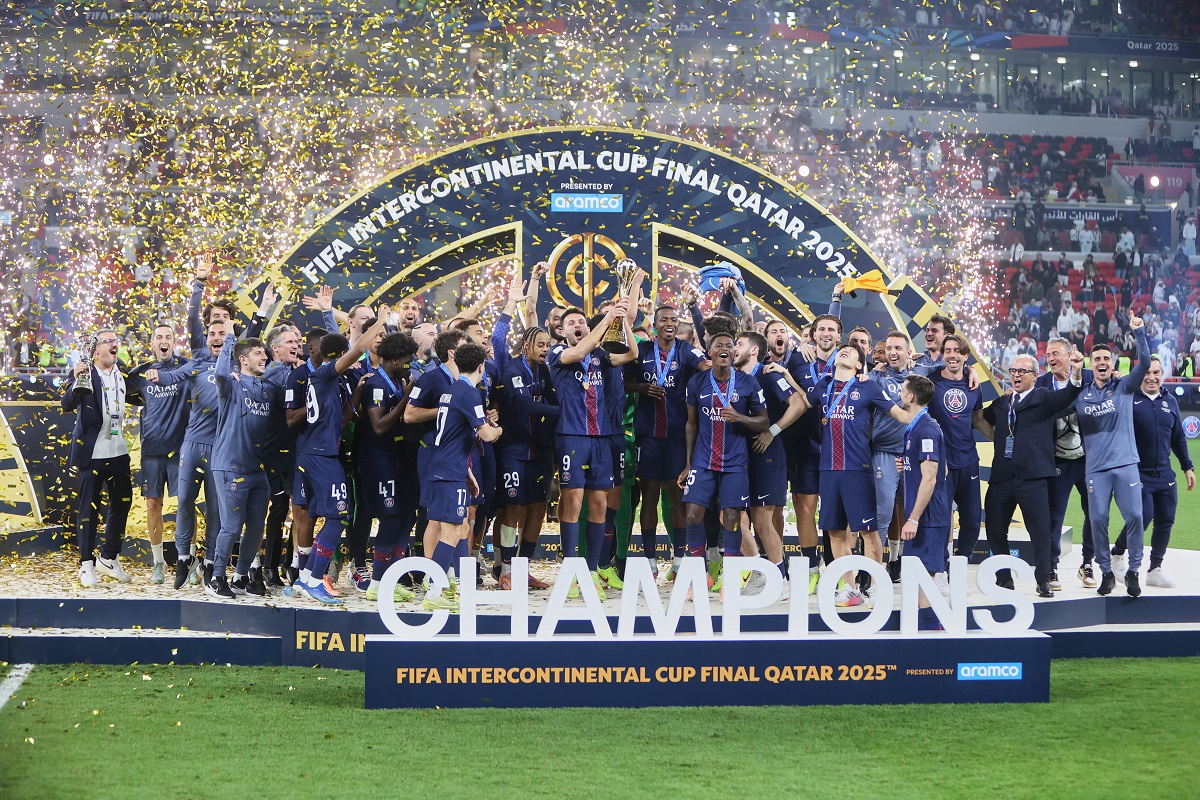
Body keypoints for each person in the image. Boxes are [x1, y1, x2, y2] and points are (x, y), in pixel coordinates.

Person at [286, 314, 391, 605]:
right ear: (338, 356)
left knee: (327, 515)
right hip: (322, 457)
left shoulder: (329, 382)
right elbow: (357, 351)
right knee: (339, 515)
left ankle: (306, 577)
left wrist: (356, 393)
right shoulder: (324, 375)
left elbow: (342, 421)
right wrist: (380, 323)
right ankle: (317, 579)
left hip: (314, 453)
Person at [546, 301, 637, 598]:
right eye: (571, 323)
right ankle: (570, 572)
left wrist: (621, 321)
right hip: (572, 436)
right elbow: (579, 352)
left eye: (581, 322)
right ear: (562, 331)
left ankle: (592, 571)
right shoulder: (558, 353)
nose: (577, 326)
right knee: (572, 503)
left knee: (599, 504)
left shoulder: (601, 356)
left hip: (601, 439)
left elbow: (633, 353)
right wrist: (606, 319)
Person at [815, 342, 912, 607]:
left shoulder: (867, 386)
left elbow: (900, 415)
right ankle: (850, 588)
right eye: (841, 350)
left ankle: (878, 585)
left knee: (868, 532)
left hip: (858, 469)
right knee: (835, 532)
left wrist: (923, 419)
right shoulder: (822, 387)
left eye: (852, 352)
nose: (844, 352)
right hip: (828, 470)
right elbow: (799, 403)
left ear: (860, 364)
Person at [982, 351, 1084, 597]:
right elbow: (979, 418)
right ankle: (1003, 578)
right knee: (995, 529)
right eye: (1013, 371)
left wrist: (1077, 372)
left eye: (1022, 372)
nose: (1016, 376)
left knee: (1040, 532)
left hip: (1034, 478)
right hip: (1002, 478)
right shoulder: (1002, 403)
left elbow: (1069, 394)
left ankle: (1043, 579)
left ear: (1034, 376)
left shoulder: (1045, 398)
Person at [678, 330, 768, 595]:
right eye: (719, 345)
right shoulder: (696, 382)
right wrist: (687, 463)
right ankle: (698, 573)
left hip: (735, 462)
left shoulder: (748, 383)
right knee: (693, 514)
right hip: (703, 461)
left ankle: (730, 577)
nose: (725, 349)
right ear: (711, 352)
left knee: (731, 518)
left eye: (730, 345)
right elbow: (691, 424)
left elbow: (764, 421)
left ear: (734, 353)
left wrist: (740, 418)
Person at [626, 304, 709, 578]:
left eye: (674, 319)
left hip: (676, 436)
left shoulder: (685, 351)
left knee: (677, 497)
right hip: (648, 435)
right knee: (649, 496)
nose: (670, 324)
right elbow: (623, 382)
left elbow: (704, 364)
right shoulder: (643, 352)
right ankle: (649, 560)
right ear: (655, 324)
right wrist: (640, 387)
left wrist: (710, 365)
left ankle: (678, 559)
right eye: (664, 320)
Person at [421, 342, 504, 612]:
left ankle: (455, 586)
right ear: (481, 366)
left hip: (447, 467)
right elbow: (487, 435)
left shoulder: (450, 391)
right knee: (453, 530)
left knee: (464, 527)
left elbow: (452, 436)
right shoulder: (469, 394)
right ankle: (435, 590)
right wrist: (499, 428)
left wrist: (467, 472)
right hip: (448, 472)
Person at [1073, 319, 1151, 597]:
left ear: (1112, 362)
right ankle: (1105, 572)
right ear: (1090, 364)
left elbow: (1144, 363)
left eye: (1107, 358)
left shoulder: (1124, 387)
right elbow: (1056, 405)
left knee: (1135, 517)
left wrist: (1138, 332)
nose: (1102, 362)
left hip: (1126, 465)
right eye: (1097, 359)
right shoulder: (1080, 396)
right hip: (1096, 470)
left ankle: (1132, 572)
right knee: (1098, 519)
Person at [153, 320, 229, 589]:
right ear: (206, 339)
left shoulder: (233, 367)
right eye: (212, 334)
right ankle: (184, 557)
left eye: (222, 333)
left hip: (220, 450)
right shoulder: (198, 364)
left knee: (215, 509)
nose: (216, 338)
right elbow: (172, 376)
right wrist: (157, 376)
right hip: (192, 444)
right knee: (184, 501)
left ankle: (210, 563)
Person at [64, 331, 142, 587]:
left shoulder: (123, 373)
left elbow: (141, 391)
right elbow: (66, 404)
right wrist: (76, 379)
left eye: (115, 341)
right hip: (93, 454)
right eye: (107, 341)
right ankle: (86, 565)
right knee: (89, 510)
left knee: (122, 504)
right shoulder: (85, 372)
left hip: (118, 452)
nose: (113, 344)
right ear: (95, 350)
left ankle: (108, 558)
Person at [735, 330, 807, 594]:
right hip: (740, 455)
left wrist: (772, 431)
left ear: (754, 350)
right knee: (730, 515)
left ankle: (780, 578)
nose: (734, 348)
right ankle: (757, 569)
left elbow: (798, 404)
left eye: (739, 344)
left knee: (763, 519)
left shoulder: (769, 374)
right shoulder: (734, 377)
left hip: (768, 453)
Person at [205, 333, 273, 599]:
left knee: (256, 527)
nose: (264, 357)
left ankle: (241, 577)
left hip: (257, 468)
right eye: (258, 354)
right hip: (230, 466)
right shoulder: (231, 384)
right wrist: (230, 339)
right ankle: (216, 579)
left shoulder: (266, 387)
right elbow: (220, 373)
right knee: (231, 527)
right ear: (243, 359)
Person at [495, 327, 558, 590]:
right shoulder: (512, 370)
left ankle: (523, 569)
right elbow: (525, 405)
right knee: (514, 508)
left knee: (538, 509)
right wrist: (563, 410)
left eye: (547, 345)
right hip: (514, 450)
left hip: (539, 451)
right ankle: (506, 571)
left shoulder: (543, 371)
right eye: (540, 345)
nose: (545, 349)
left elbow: (552, 397)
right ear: (526, 344)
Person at [127, 324, 189, 584]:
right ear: (152, 344)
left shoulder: (186, 369)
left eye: (168, 337)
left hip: (181, 449)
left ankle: (189, 560)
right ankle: (158, 562)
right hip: (151, 451)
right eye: (158, 337)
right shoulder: (140, 373)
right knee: (153, 504)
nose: (163, 341)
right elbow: (123, 390)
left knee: (186, 505)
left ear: (175, 342)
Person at [1035, 338, 1097, 588]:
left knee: (1094, 513)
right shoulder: (1041, 384)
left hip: (1087, 460)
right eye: (1048, 354)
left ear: (1070, 356)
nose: (1051, 358)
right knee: (1055, 516)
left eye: (1056, 354)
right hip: (1057, 460)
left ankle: (1088, 564)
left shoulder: (1090, 378)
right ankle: (1051, 567)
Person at [927, 334, 987, 581]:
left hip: (968, 461)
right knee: (942, 520)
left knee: (973, 520)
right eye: (947, 350)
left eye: (956, 351)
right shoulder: (930, 382)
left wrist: (1002, 439)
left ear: (965, 356)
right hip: (942, 464)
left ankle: (959, 567)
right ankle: (940, 568)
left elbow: (978, 420)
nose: (951, 354)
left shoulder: (974, 386)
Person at [896, 374, 951, 631]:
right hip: (923, 518)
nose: (899, 393)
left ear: (911, 397)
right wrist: (907, 466)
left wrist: (914, 518)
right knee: (917, 580)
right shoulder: (919, 427)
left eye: (902, 390)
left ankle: (934, 633)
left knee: (925, 581)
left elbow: (931, 478)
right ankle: (929, 631)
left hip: (927, 520)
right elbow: (942, 470)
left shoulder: (926, 428)